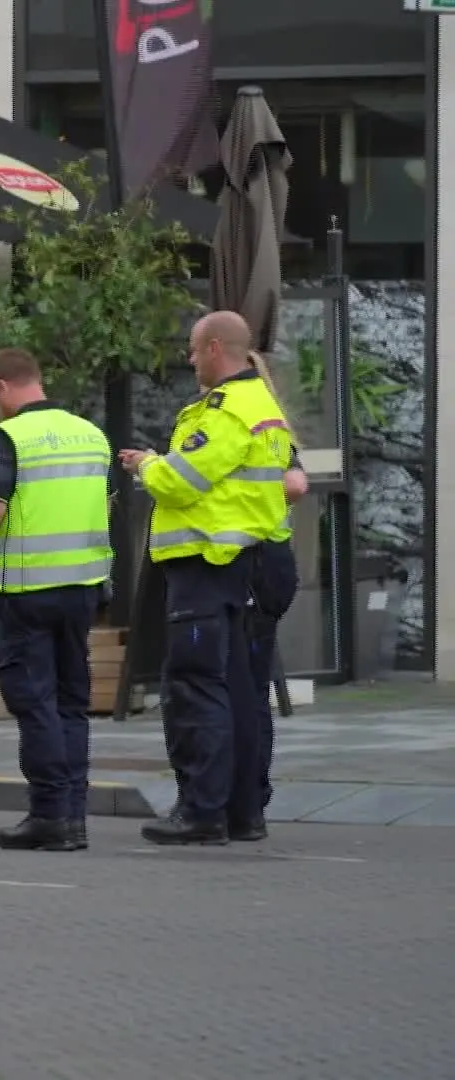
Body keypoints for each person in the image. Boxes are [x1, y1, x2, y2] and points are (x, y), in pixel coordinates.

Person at [118, 310, 291, 846]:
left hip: (205, 566)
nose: (190, 360)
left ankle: (201, 811)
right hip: (242, 565)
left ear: (215, 348)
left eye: (194, 350)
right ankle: (242, 811)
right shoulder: (265, 408)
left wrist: (147, 464)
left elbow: (181, 481)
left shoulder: (226, 411)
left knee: (195, 687)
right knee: (239, 690)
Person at [0, 348, 112, 853]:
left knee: (34, 700)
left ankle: (49, 814)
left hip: (29, 589)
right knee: (72, 700)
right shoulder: (92, 435)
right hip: (82, 588)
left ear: (2, 387)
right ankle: (73, 815)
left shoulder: (10, 436)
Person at [233, 351, 306, 842]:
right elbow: (295, 481)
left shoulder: (246, 425)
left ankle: (246, 801)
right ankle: (253, 797)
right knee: (253, 689)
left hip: (251, 563)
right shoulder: (277, 428)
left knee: (240, 688)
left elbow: (295, 483)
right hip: (275, 561)